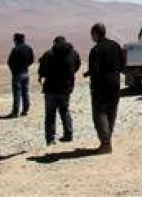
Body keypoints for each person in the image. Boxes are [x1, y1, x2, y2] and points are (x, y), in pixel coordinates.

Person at [85, 22, 124, 154]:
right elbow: (123, 64)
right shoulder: (115, 45)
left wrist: (93, 87)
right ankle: (107, 141)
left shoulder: (96, 50)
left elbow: (95, 71)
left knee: (100, 114)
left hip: (101, 86)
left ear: (96, 33)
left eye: (92, 34)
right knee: (111, 112)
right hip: (115, 83)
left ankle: (106, 144)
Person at [38, 36, 81, 146]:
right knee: (65, 111)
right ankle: (68, 134)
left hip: (51, 89)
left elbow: (42, 70)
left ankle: (50, 139)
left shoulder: (48, 54)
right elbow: (77, 66)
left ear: (55, 43)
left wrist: (44, 75)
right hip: (66, 88)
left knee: (50, 115)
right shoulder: (73, 53)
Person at [7, 32, 35, 117]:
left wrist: (13, 70)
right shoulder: (29, 48)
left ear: (16, 40)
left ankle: (15, 112)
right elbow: (31, 60)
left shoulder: (15, 49)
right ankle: (25, 110)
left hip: (17, 74)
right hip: (25, 73)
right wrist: (25, 66)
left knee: (17, 93)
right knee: (25, 92)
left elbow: (10, 62)